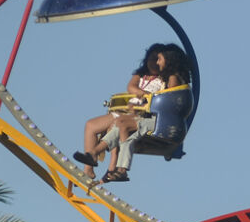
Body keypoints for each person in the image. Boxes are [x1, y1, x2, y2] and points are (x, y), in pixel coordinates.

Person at [74, 43, 188, 183]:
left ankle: (112, 167)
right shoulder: (142, 75)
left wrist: (147, 99)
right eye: (152, 59)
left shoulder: (169, 79)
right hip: (132, 111)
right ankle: (92, 163)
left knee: (119, 125)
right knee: (94, 125)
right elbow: (131, 87)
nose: (155, 63)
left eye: (158, 59)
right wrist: (143, 96)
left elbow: (168, 100)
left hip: (148, 117)